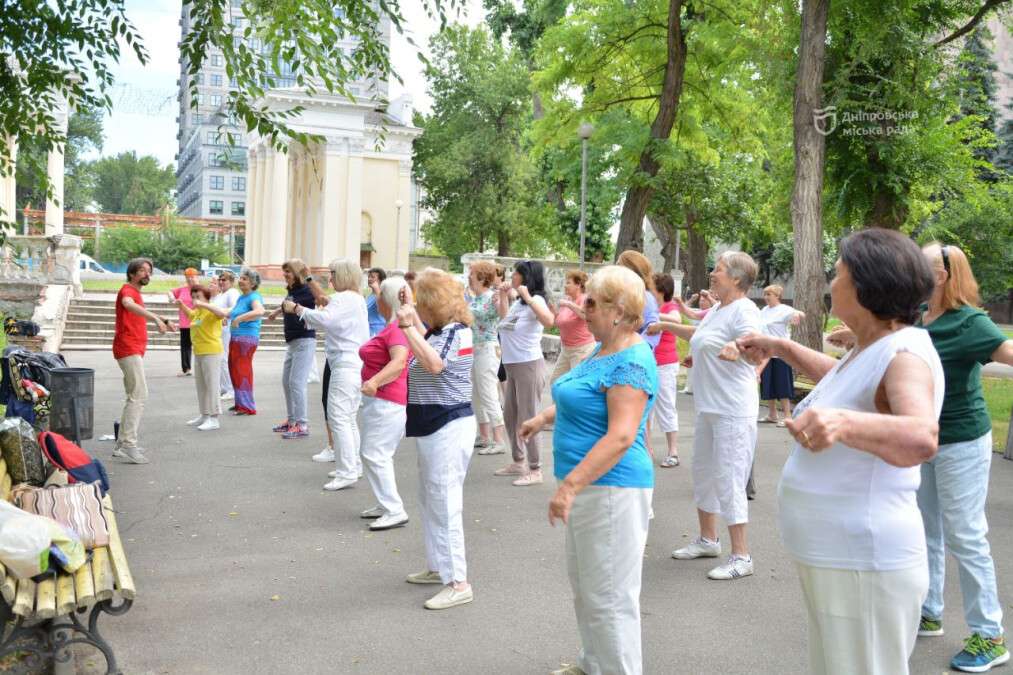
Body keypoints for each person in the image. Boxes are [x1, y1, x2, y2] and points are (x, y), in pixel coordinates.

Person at [737, 228, 943, 675]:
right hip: (841, 558)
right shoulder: (872, 346)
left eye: (839, 273)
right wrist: (784, 348)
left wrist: (843, 423)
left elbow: (923, 437)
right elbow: (850, 384)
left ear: (868, 287)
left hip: (864, 562)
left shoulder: (905, 355)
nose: (831, 283)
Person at [520, 265, 657, 675]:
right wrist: (543, 419)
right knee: (588, 589)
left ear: (618, 310)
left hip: (611, 490)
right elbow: (579, 399)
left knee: (611, 598)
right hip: (590, 490)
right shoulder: (605, 349)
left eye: (592, 302)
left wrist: (570, 486)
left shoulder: (632, 359)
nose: (584, 308)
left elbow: (619, 437)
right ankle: (593, 664)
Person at [915, 243, 1012, 673]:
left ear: (942, 275)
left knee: (966, 536)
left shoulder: (971, 322)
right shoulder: (919, 316)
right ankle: (930, 610)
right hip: (924, 440)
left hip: (963, 443)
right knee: (926, 530)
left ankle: (990, 635)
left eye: (923, 264)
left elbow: (1008, 354)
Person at [657, 251, 762, 580]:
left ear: (736, 279)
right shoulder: (719, 308)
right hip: (708, 406)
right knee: (703, 473)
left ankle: (742, 556)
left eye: (717, 270)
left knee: (730, 478)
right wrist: (668, 326)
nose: (712, 274)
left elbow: (757, 345)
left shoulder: (745, 309)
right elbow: (702, 337)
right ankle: (707, 539)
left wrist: (738, 347)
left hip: (732, 408)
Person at [395, 268, 477, 610]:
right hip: (434, 425)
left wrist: (406, 327)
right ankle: (438, 566)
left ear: (433, 304)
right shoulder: (442, 330)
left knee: (444, 503)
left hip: (448, 425)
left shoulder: (457, 334)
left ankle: (458, 582)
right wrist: (411, 314)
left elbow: (433, 364)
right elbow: (426, 338)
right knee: (430, 500)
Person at [285, 258, 369, 490]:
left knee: (339, 418)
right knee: (347, 418)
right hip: (352, 363)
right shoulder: (354, 298)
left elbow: (325, 318)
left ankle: (347, 471)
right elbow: (328, 311)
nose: (330, 278)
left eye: (332, 274)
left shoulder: (345, 298)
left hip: (345, 363)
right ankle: (353, 465)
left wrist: (297, 309)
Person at [356, 276, 412, 531]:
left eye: (379, 295)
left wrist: (375, 381)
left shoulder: (397, 329)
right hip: (381, 401)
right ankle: (384, 503)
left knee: (374, 453)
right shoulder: (392, 327)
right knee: (375, 454)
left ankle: (393, 509)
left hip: (387, 401)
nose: (375, 298)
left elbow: (399, 362)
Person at [495, 260, 554, 486]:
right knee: (510, 416)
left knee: (528, 417)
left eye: (516, 273)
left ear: (526, 277)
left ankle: (535, 468)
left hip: (529, 365)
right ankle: (518, 461)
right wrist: (503, 296)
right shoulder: (518, 304)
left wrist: (529, 298)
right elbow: (504, 322)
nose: (512, 275)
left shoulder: (534, 300)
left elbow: (549, 321)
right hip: (512, 365)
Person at [113, 258, 175, 464]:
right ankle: (128, 444)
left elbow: (135, 309)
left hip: (133, 348)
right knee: (139, 395)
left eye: (149, 271)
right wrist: (157, 319)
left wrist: (163, 319)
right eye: (142, 271)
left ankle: (123, 444)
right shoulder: (128, 291)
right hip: (128, 347)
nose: (147, 274)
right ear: (132, 274)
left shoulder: (135, 292)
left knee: (134, 395)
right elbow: (127, 304)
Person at [268, 259, 317, 439]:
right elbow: (287, 303)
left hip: (304, 340)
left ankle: (302, 425)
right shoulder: (293, 291)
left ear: (296, 273)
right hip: (293, 342)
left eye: (288, 271)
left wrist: (308, 275)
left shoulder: (306, 291)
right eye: (284, 271)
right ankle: (291, 421)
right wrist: (276, 311)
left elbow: (303, 304)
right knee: (286, 382)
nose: (284, 274)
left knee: (296, 383)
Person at [173, 284, 230, 431]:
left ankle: (214, 418)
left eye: (198, 296)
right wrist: (181, 305)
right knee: (202, 386)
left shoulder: (210, 310)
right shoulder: (198, 312)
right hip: (199, 352)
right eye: (193, 297)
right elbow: (190, 315)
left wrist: (204, 304)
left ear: (206, 297)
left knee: (212, 386)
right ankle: (205, 415)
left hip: (211, 352)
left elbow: (222, 314)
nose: (194, 300)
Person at [467, 261, 507, 455]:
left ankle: (499, 440)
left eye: (472, 273)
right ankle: (484, 436)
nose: (469, 276)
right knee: (477, 394)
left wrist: (503, 298)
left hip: (488, 349)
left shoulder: (492, 297)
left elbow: (503, 314)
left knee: (488, 393)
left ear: (482, 277)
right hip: (475, 349)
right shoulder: (475, 298)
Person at [759, 285, 804, 426]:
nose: (766, 297)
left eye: (769, 294)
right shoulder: (764, 310)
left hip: (780, 353)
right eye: (765, 294)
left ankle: (788, 417)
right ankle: (772, 414)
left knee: (782, 384)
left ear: (777, 295)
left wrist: (797, 315)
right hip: (766, 353)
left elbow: (801, 314)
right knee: (768, 384)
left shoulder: (784, 309)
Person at [648, 272, 680, 467]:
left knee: (666, 406)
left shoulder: (670, 307)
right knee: (646, 409)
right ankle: (647, 449)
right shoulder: (652, 305)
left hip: (665, 365)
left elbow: (676, 320)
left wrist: (655, 317)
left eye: (652, 286)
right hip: (649, 363)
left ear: (661, 289)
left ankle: (673, 452)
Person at [228, 268, 266, 415]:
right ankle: (240, 403)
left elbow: (259, 311)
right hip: (236, 337)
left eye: (244, 279)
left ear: (252, 283)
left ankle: (247, 406)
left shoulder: (254, 296)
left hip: (246, 339)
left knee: (242, 370)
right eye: (241, 278)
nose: (240, 281)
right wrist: (228, 317)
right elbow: (232, 312)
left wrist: (238, 319)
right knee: (234, 369)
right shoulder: (241, 297)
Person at [550, 270, 596, 381]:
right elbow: (559, 323)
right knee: (555, 381)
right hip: (566, 349)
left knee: (576, 384)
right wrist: (553, 311)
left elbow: (586, 315)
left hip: (582, 349)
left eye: (568, 283)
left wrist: (569, 304)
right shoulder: (568, 299)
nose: (565, 286)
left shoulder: (585, 299)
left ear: (578, 285)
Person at [617, 250, 660, 350]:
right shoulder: (622, 294)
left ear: (631, 270)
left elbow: (653, 330)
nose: (615, 269)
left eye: (619, 265)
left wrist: (632, 351)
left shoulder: (644, 297)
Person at [676, 291, 713, 395]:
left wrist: (710, 298)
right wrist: (683, 301)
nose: (701, 302)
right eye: (700, 300)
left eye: (704, 300)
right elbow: (690, 312)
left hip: (708, 345)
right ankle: (690, 387)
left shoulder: (715, 310)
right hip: (695, 343)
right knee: (691, 366)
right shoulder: (704, 311)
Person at [214, 271, 240, 400]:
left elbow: (235, 308)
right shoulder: (220, 295)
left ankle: (230, 389)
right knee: (219, 358)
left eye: (224, 280)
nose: (221, 282)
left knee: (224, 358)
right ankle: (223, 387)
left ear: (231, 282)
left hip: (227, 329)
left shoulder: (232, 293)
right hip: (217, 330)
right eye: (220, 279)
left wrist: (224, 314)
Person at [171, 268, 201, 376]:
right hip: (184, 323)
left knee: (199, 345)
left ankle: (201, 369)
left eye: (192, 277)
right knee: (185, 347)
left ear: (197, 277)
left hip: (198, 322)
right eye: (187, 277)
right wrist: (171, 298)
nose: (190, 279)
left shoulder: (201, 289)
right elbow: (171, 292)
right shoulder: (182, 290)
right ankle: (186, 369)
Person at [366, 267, 387, 337]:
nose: (369, 279)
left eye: (372, 277)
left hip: (377, 329)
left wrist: (377, 289)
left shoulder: (382, 293)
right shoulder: (370, 295)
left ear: (380, 280)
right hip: (368, 329)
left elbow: (384, 306)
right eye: (369, 276)